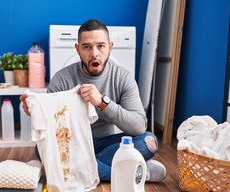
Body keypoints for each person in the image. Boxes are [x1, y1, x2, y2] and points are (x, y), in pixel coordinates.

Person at [20, 19, 166, 182]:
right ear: (77, 49)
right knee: (42, 150)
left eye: (100, 46)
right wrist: (35, 111)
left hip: (106, 144)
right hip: (72, 145)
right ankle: (133, 174)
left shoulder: (122, 77)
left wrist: (103, 103)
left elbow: (139, 125)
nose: (94, 53)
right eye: (87, 47)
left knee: (148, 141)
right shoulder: (62, 79)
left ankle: (69, 170)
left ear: (110, 47)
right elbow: (50, 129)